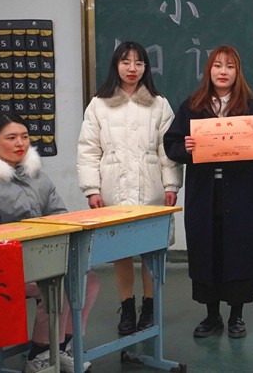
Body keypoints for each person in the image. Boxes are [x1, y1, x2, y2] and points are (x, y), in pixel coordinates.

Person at [0, 112, 99, 373]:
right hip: (2, 265)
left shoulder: (37, 176)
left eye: (24, 136)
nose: (20, 143)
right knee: (60, 284)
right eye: (11, 138)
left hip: (40, 257)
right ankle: (40, 354)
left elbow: (58, 215)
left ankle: (61, 346)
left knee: (88, 281)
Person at [163, 45, 253, 339]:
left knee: (238, 250)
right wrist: (185, 147)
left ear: (238, 72)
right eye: (217, 66)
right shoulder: (192, 106)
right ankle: (211, 315)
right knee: (206, 250)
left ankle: (236, 316)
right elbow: (171, 144)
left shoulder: (251, 107)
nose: (223, 72)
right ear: (208, 70)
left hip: (240, 194)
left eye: (230, 66)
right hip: (204, 194)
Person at [77, 41, 183, 336]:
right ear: (116, 65)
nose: (132, 68)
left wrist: (171, 184)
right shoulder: (98, 104)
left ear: (146, 67)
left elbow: (167, 150)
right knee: (120, 252)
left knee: (151, 251)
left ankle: (149, 306)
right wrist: (92, 189)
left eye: (139, 63)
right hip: (114, 189)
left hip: (151, 188)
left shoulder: (159, 104)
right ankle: (126, 307)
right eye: (126, 62)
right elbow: (88, 150)